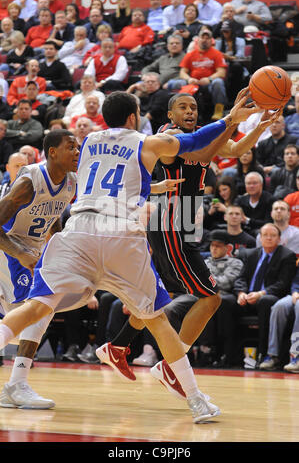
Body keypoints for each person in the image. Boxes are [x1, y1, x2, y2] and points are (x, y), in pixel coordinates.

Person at [0, 91, 261, 423]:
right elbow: (196, 142)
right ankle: (196, 401)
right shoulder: (148, 141)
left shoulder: (88, 140)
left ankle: (100, 352)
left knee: (37, 307)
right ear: (134, 117)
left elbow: (110, 176)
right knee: (158, 320)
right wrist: (230, 119)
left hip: (79, 229)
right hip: (121, 232)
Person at [97, 91, 278, 397]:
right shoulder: (169, 137)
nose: (190, 110)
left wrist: (259, 127)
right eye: (183, 107)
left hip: (184, 222)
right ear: (170, 115)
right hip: (171, 220)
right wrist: (231, 119)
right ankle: (171, 365)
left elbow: (232, 149)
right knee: (211, 297)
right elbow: (205, 156)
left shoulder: (196, 136)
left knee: (160, 297)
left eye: (194, 106)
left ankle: (117, 346)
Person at [0, 129, 78, 409]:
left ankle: (15, 386)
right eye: (71, 147)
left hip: (31, 249)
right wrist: (20, 253)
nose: (77, 152)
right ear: (52, 152)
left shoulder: (71, 183)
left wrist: (54, 247)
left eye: (78, 147)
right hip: (8, 247)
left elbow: (52, 218)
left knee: (41, 310)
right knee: (33, 312)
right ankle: (16, 384)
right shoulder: (29, 182)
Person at [234, 223, 297, 364]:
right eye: (265, 235)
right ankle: (226, 354)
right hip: (247, 296)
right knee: (225, 302)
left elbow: (283, 284)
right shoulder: (251, 254)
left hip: (268, 297)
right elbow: (241, 278)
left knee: (265, 301)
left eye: (273, 235)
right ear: (260, 238)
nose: (269, 238)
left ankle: (264, 353)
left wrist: (261, 293)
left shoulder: (287, 256)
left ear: (279, 239)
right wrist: (241, 293)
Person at [199, 229, 244, 367]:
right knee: (181, 303)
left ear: (227, 247)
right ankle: (202, 349)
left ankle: (223, 350)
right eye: (212, 245)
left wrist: (207, 281)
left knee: (221, 302)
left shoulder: (235, 263)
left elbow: (226, 282)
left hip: (226, 296)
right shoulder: (203, 262)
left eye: (218, 245)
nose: (214, 248)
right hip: (204, 296)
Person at [179, 28, 228, 121]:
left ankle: (218, 111)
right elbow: (182, 72)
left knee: (218, 82)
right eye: (202, 37)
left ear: (211, 41)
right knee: (175, 83)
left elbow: (221, 72)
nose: (205, 40)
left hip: (210, 83)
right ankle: (183, 113)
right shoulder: (190, 54)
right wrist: (189, 79)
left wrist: (209, 79)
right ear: (198, 40)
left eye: (207, 38)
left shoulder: (217, 54)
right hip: (194, 82)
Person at [259, 266, 299, 373]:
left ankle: (296, 356)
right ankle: (273, 355)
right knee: (279, 307)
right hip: (296, 294)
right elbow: (296, 280)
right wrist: (295, 291)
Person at [215, 19, 249, 102]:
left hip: (237, 67)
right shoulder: (219, 42)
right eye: (223, 31)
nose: (225, 33)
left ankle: (236, 98)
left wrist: (227, 57)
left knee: (236, 66)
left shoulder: (240, 41)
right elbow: (216, 56)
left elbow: (239, 56)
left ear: (232, 31)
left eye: (227, 31)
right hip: (222, 66)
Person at [235, 171, 276, 237]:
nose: (251, 186)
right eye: (248, 183)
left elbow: (269, 223)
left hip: (263, 234)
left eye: (255, 183)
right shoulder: (241, 200)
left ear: (261, 185)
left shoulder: (270, 200)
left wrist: (247, 220)